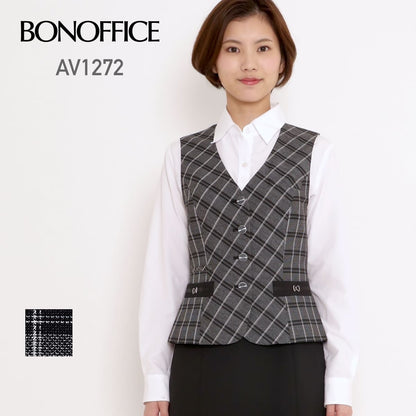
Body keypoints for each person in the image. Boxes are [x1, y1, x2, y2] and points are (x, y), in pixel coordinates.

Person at [138, 1, 359, 415]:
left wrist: (340, 384)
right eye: (232, 49)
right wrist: (155, 379)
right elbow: (164, 273)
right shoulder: (182, 156)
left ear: (282, 61)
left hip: (292, 355)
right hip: (201, 355)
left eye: (263, 48)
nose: (249, 64)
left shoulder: (316, 152)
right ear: (214, 61)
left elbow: (332, 275)